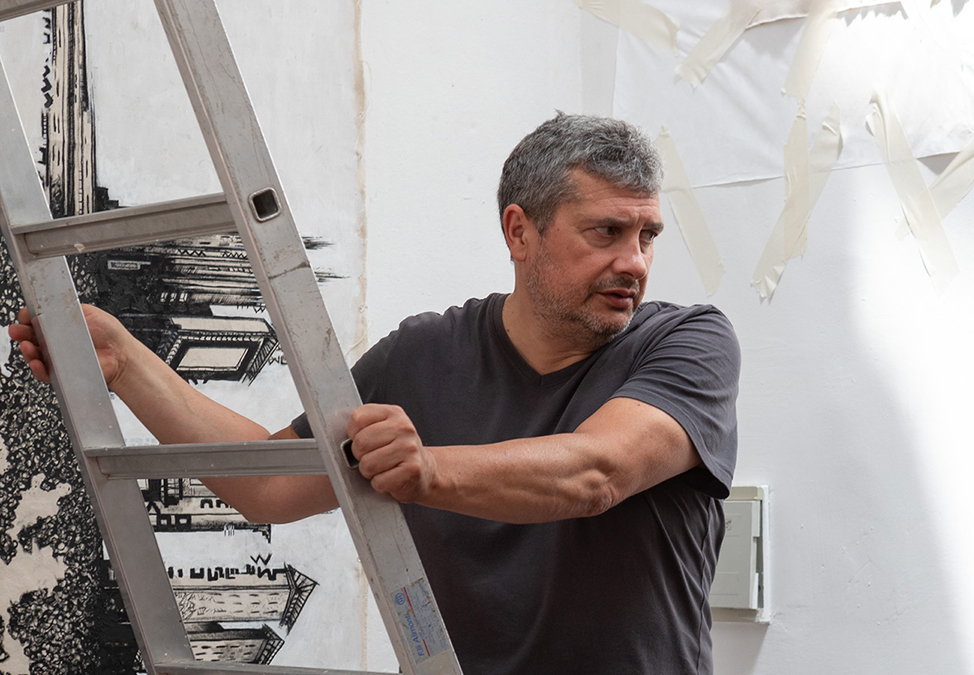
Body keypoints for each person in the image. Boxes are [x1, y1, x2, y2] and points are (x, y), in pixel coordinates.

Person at [9, 113, 740, 674]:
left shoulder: (688, 346)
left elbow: (595, 472)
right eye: (606, 232)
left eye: (647, 235)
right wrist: (128, 365)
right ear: (520, 231)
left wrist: (425, 471)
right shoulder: (424, 353)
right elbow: (268, 486)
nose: (634, 262)